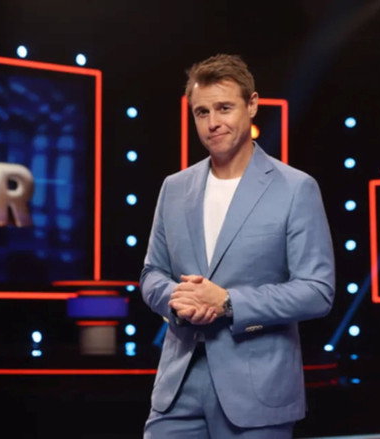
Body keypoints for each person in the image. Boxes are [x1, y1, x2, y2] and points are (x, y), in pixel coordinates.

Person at [140, 53, 335, 438]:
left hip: (257, 392)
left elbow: (317, 291)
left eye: (224, 108)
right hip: (177, 389)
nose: (212, 122)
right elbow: (152, 274)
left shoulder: (296, 188)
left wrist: (228, 302)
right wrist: (177, 301)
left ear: (252, 105)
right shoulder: (174, 188)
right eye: (202, 112)